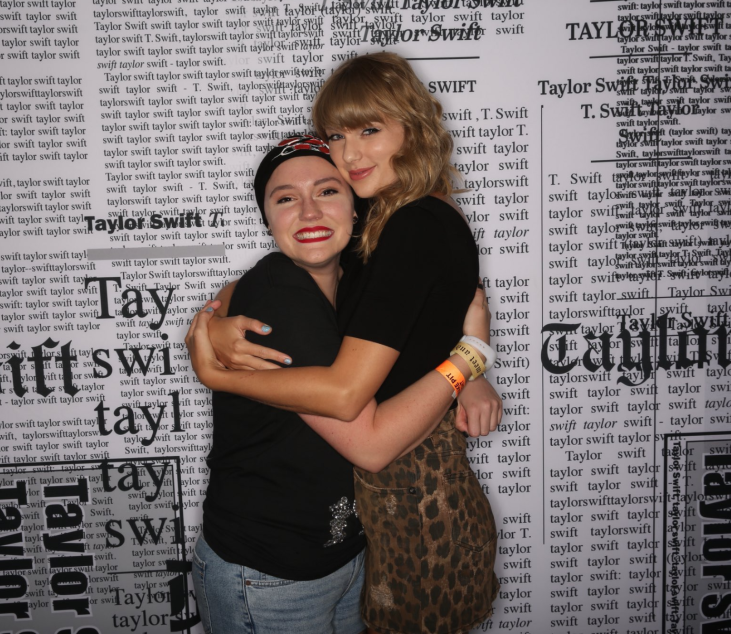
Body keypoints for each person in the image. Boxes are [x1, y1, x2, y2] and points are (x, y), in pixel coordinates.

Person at [188, 52, 500, 634]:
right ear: (265, 216)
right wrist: (213, 315)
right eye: (338, 136)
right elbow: (373, 430)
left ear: (353, 212)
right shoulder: (303, 277)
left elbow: (411, 334)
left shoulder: (397, 233)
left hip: (376, 542)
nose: (352, 153)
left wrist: (471, 361)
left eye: (369, 130)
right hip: (275, 571)